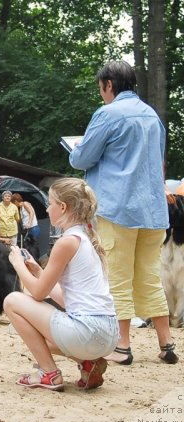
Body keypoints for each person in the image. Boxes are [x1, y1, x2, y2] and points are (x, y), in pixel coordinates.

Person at [69, 60, 178, 365]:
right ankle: (166, 343)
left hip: (118, 209)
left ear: (109, 85)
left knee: (116, 277)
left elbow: (83, 158)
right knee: (149, 277)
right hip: (153, 211)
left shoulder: (107, 114)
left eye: (101, 88)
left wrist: (74, 150)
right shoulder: (152, 117)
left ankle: (122, 346)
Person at [4, 178, 119, 391]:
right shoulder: (85, 238)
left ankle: (49, 374)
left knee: (12, 301)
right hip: (108, 333)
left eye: (50, 203)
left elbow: (38, 294)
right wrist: (39, 272)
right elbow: (69, 300)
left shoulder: (66, 241)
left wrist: (17, 264)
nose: (47, 209)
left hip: (88, 333)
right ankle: (88, 362)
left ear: (63, 207)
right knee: (30, 333)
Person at [11, 193, 40, 257]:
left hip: (33, 228)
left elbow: (32, 213)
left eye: (13, 203)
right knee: (29, 246)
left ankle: (36, 260)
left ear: (15, 201)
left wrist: (29, 223)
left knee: (33, 246)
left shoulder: (25, 204)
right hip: (28, 229)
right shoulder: (21, 208)